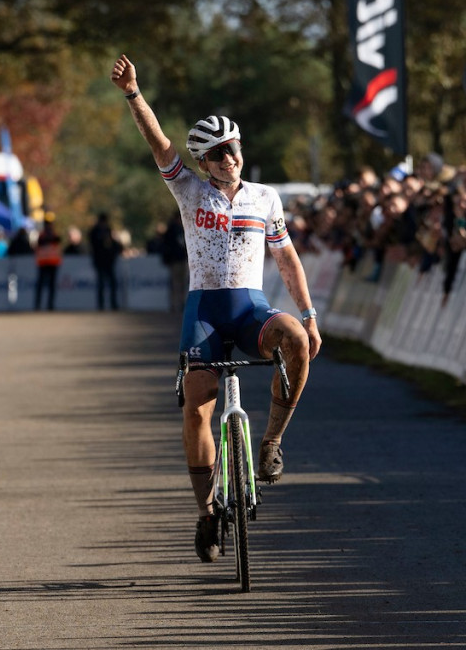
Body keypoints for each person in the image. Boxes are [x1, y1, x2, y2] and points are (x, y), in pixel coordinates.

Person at [110, 54, 322, 563]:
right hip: (204, 311)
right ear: (203, 161)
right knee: (197, 404)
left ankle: (269, 443)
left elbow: (287, 258)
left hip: (250, 309)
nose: (231, 158)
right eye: (220, 152)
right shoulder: (188, 188)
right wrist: (134, 93)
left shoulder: (266, 198)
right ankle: (207, 513)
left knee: (294, 340)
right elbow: (159, 142)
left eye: (235, 148)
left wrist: (310, 315)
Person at [89, 212, 122, 310]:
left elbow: (113, 244)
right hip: (100, 261)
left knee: (111, 283)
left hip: (109, 261)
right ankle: (101, 304)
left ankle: (113, 303)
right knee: (101, 283)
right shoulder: (95, 231)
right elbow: (95, 245)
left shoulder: (108, 230)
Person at [34, 219, 63, 310]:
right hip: (44, 263)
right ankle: (38, 305)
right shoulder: (42, 236)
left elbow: (58, 241)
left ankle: (50, 305)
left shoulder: (54, 235)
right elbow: (40, 242)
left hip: (52, 263)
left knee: (51, 286)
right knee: (41, 285)